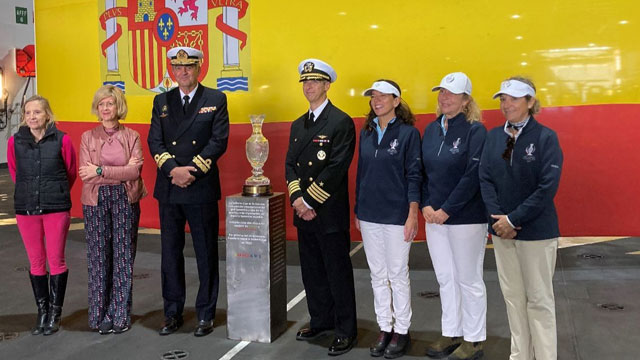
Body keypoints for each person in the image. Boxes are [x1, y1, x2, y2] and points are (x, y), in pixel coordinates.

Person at [479, 77, 563, 360]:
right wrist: (498, 222)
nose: (507, 104)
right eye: (503, 99)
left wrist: (513, 220)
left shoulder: (545, 138)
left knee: (539, 301)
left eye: (514, 99)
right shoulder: (493, 137)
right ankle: (520, 356)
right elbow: (485, 179)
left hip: (536, 233)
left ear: (530, 102)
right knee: (513, 300)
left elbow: (546, 187)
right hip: (503, 234)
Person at [148, 46, 229, 337]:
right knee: (170, 254)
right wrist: (173, 170)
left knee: (206, 252)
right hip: (169, 187)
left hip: (200, 186)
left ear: (199, 68)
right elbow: (155, 142)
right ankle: (172, 313)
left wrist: (190, 172)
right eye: (177, 67)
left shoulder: (215, 99)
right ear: (172, 69)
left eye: (189, 67)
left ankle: (206, 313)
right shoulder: (162, 101)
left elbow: (218, 141)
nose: (182, 72)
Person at [285, 58, 358, 356]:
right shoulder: (297, 124)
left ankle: (345, 329)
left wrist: (309, 200)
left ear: (327, 85)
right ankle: (320, 319)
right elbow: (290, 165)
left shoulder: (340, 122)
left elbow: (336, 168)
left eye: (314, 81)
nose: (309, 86)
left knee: (337, 272)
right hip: (304, 211)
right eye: (305, 81)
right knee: (312, 271)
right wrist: (297, 200)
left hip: (327, 211)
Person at [421, 72, 488, 360]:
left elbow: (473, 176)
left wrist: (447, 209)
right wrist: (425, 205)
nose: (444, 97)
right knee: (446, 278)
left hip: (466, 218)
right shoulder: (432, 129)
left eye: (451, 93)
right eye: (441, 92)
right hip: (433, 218)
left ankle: (474, 340)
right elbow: (421, 171)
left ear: (466, 100)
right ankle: (452, 332)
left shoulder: (476, 131)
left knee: (468, 278)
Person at [354, 80, 422, 358]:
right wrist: (358, 210)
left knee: (397, 274)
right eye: (373, 96)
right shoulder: (366, 132)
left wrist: (412, 214)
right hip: (369, 215)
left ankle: (402, 330)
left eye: (383, 96)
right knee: (378, 275)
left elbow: (415, 175)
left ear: (396, 101)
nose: (377, 100)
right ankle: (385, 327)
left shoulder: (408, 134)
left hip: (396, 216)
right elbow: (361, 173)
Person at [78, 85, 146, 334]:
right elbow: (86, 175)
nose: (105, 108)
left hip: (125, 199)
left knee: (123, 256)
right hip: (95, 201)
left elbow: (134, 172)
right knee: (98, 259)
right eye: (101, 104)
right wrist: (113, 174)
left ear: (119, 107)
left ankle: (120, 314)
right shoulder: (87, 137)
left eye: (110, 104)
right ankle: (98, 315)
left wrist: (100, 170)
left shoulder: (132, 136)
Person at [8, 95, 77, 335]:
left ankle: (55, 314)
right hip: (26, 209)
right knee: (36, 262)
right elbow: (16, 173)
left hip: (56, 208)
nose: (32, 117)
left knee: (56, 260)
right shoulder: (15, 141)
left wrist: (54, 193)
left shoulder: (62, 140)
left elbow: (70, 171)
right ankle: (43, 311)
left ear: (47, 114)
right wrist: (31, 193)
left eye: (37, 112)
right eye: (28, 113)